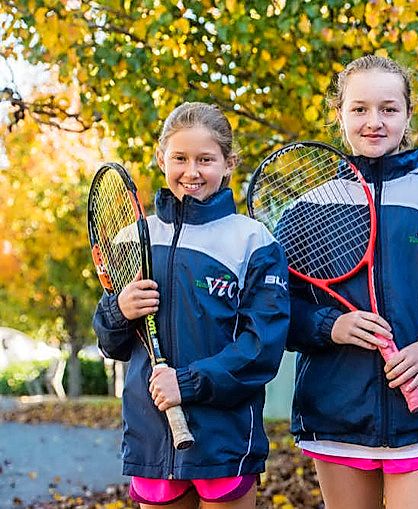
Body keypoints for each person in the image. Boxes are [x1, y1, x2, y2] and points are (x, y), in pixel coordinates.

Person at [286, 55, 418, 509]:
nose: (374, 122)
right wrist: (330, 326)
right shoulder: (305, 210)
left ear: (409, 115)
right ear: (339, 114)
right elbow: (277, 312)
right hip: (336, 416)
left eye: (388, 109)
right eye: (359, 109)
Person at [93, 102, 290, 509]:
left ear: (228, 163)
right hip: (152, 437)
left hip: (224, 439)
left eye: (206, 159)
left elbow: (261, 350)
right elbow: (112, 343)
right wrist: (119, 311)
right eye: (180, 158)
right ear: (161, 157)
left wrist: (187, 383)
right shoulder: (134, 236)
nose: (192, 171)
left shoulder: (253, 241)